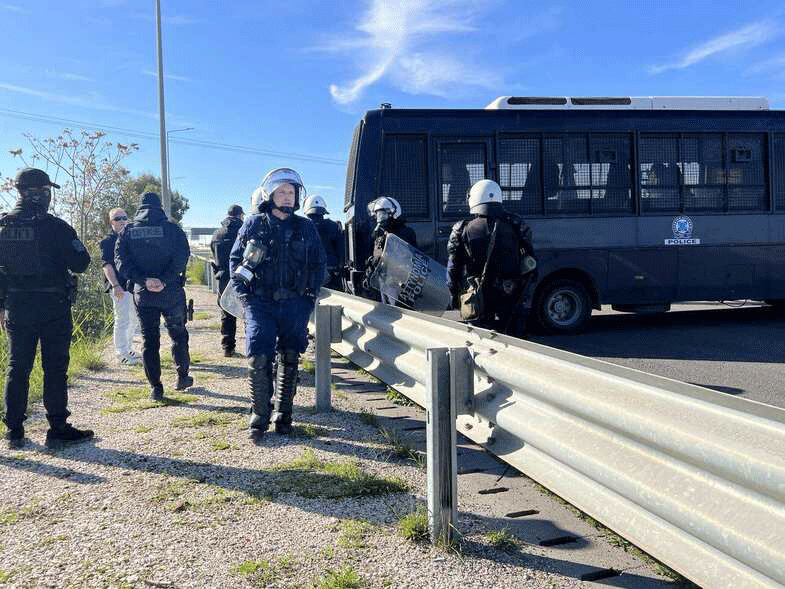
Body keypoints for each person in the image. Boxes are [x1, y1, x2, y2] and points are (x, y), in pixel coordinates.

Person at [229, 168, 326, 440]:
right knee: (259, 354)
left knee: (290, 355)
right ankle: (259, 416)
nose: (286, 197)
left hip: (295, 303)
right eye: (281, 192)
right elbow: (235, 261)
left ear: (297, 197)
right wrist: (244, 296)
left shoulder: (306, 227)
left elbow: (319, 264)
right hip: (260, 302)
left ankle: (284, 414)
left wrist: (308, 299)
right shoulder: (254, 223)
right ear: (271, 195)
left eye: (291, 193)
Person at [0, 168, 93, 449]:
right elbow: (81, 263)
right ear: (43, 193)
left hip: (17, 305)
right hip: (53, 305)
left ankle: (14, 431)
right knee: (54, 368)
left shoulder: (3, 227)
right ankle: (57, 429)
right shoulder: (57, 227)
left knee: (18, 366)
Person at [115, 191, 193, 401]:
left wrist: (143, 280)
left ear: (139, 207)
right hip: (171, 293)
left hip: (144, 295)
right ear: (160, 206)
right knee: (178, 334)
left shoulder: (128, 231)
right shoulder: (173, 229)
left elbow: (121, 262)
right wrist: (165, 279)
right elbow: (182, 257)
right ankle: (182, 376)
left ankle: (156, 388)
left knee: (149, 340)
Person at [446, 179, 537, 336]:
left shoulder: (462, 229)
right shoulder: (516, 225)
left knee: (480, 343)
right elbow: (531, 264)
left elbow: (453, 269)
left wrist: (454, 295)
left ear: (474, 199)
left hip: (478, 296)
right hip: (511, 294)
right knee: (515, 343)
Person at [100, 207, 140, 365]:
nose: (122, 220)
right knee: (122, 319)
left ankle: (128, 348)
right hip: (118, 287)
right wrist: (115, 285)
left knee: (134, 318)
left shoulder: (131, 237)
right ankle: (121, 353)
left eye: (124, 217)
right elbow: (107, 266)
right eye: (117, 218)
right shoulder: (107, 242)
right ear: (111, 223)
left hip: (132, 285)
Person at [364, 196, 417, 304]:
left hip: (400, 281)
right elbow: (376, 257)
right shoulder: (381, 235)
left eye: (383, 214)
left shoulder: (405, 233)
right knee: (387, 311)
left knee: (398, 310)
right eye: (378, 215)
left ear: (393, 213)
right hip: (384, 280)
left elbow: (410, 257)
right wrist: (369, 274)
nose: (380, 218)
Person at [210, 204, 244, 356]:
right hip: (243, 276)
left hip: (222, 276)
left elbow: (213, 251)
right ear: (240, 215)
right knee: (249, 312)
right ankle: (253, 349)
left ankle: (227, 347)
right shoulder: (244, 231)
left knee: (226, 311)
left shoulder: (217, 234)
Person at [303, 195, 344, 290]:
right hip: (332, 276)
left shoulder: (301, 227)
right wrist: (338, 268)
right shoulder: (334, 226)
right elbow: (341, 251)